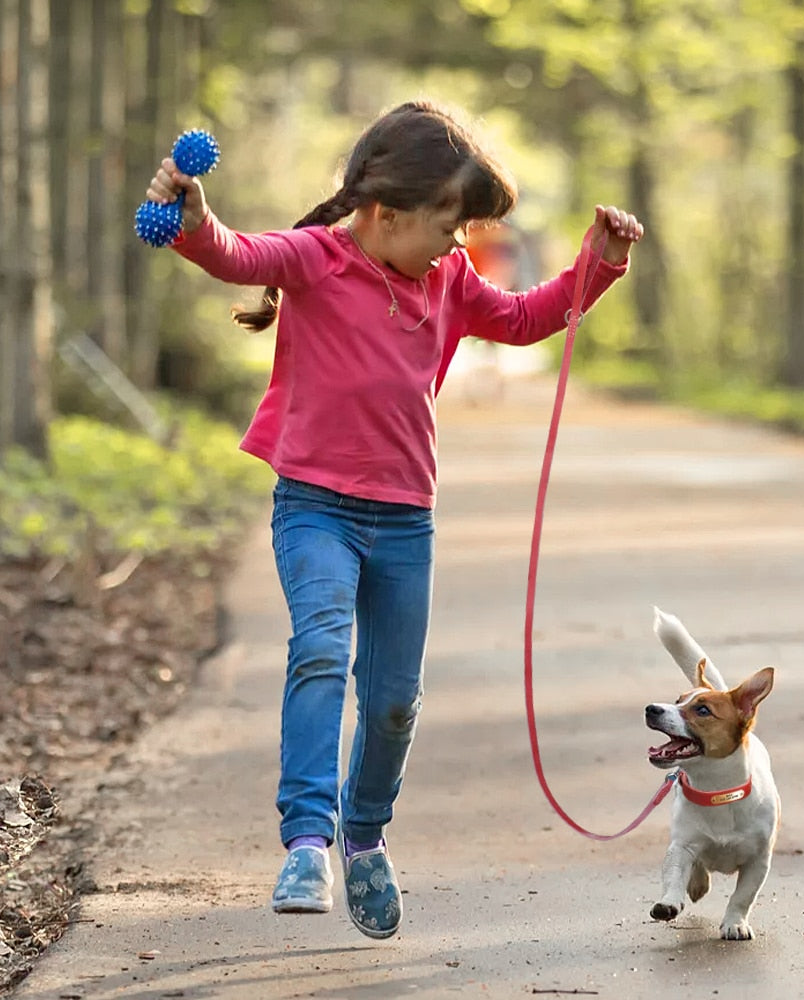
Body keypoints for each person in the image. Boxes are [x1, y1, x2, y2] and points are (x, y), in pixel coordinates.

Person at [145, 99, 643, 940]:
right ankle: (308, 841)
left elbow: (524, 320)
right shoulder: (315, 259)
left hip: (406, 521)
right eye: (450, 226)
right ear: (385, 214)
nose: (459, 245)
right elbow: (235, 253)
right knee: (320, 651)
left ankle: (365, 834)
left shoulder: (447, 281)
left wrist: (597, 266)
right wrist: (194, 221)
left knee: (393, 704)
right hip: (315, 509)